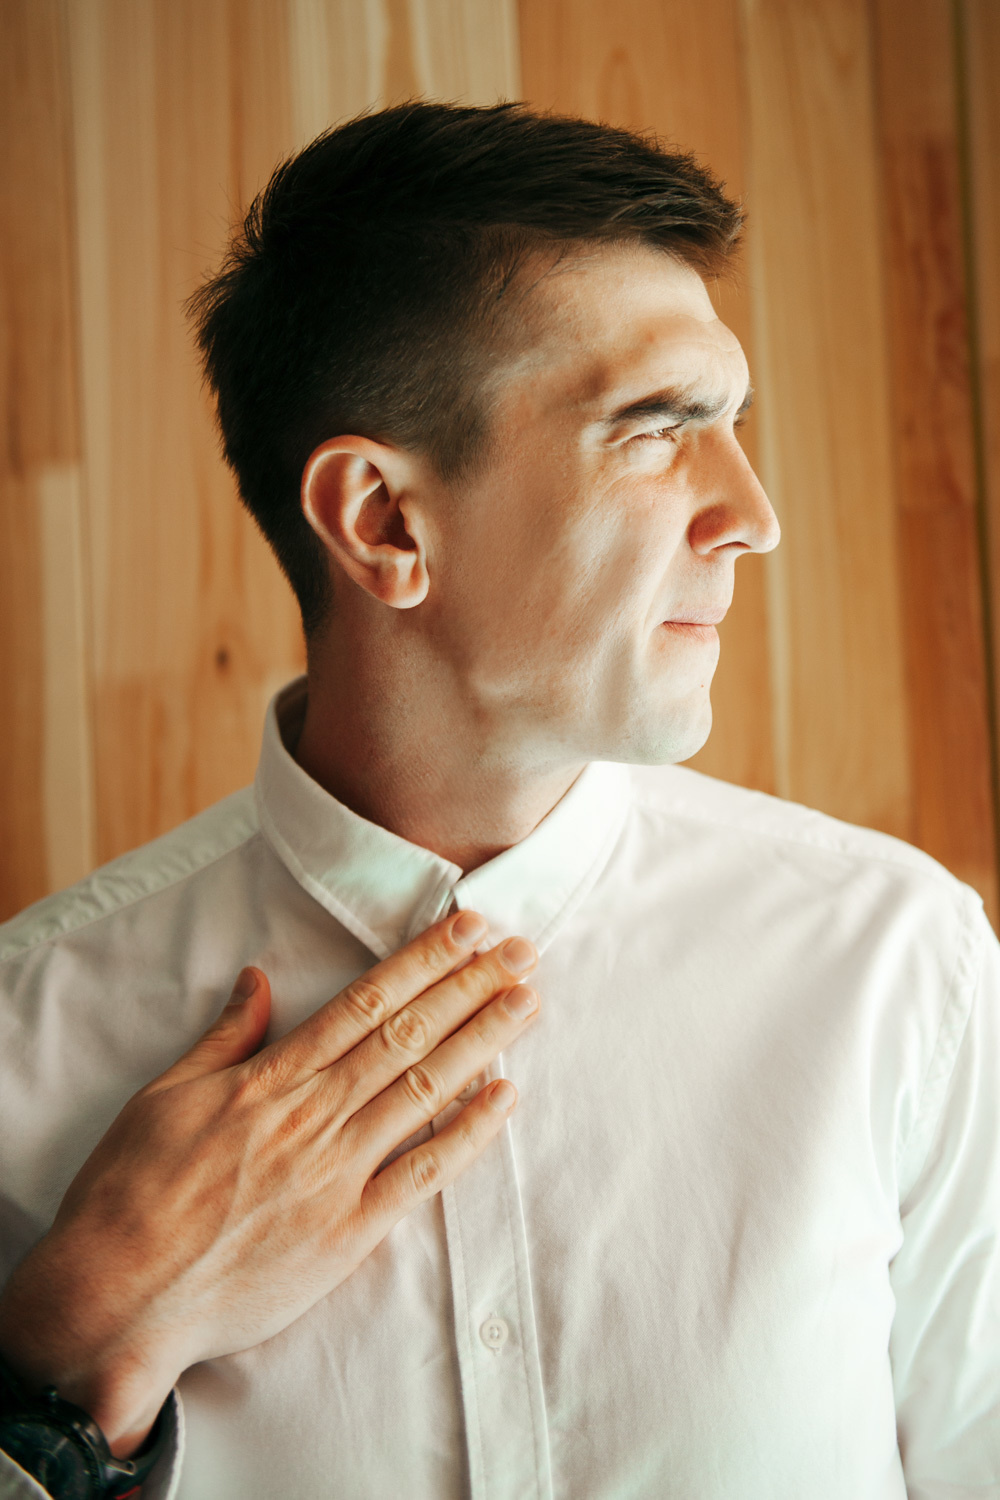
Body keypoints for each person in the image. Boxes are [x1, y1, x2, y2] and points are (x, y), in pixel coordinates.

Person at [0, 100, 996, 1500]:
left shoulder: (902, 969)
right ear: (384, 523)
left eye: (734, 425)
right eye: (660, 430)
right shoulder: (27, 1045)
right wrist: (70, 1360)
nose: (755, 512)